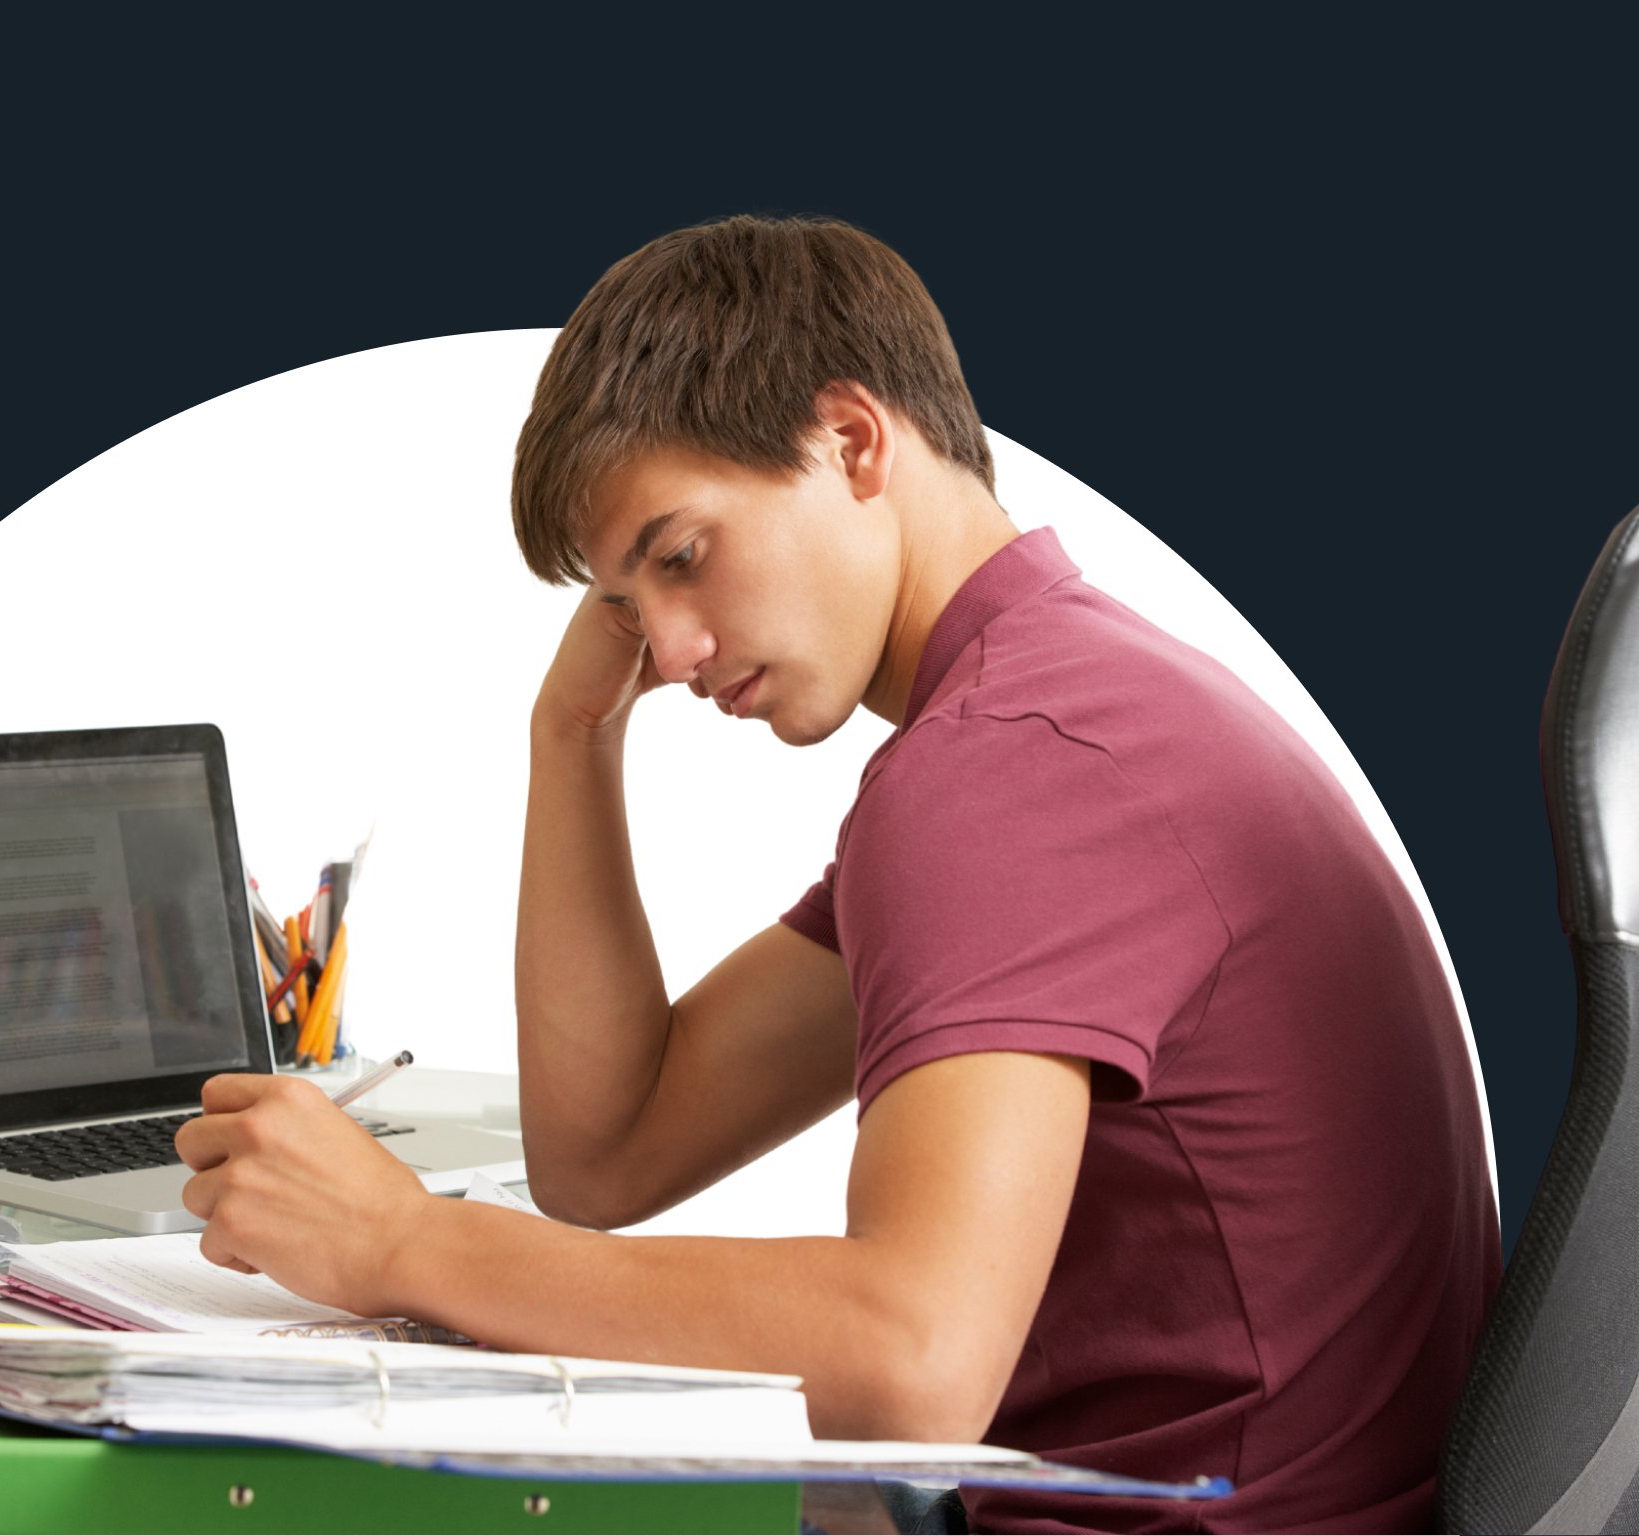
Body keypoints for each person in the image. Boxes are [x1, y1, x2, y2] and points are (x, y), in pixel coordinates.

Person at [176, 216, 1500, 1532]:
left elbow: (912, 1366)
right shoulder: (1074, 713)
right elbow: (610, 1155)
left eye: (684, 555)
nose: (676, 650)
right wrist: (570, 735)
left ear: (854, 441)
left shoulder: (1007, 776)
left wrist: (406, 1249)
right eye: (630, 606)